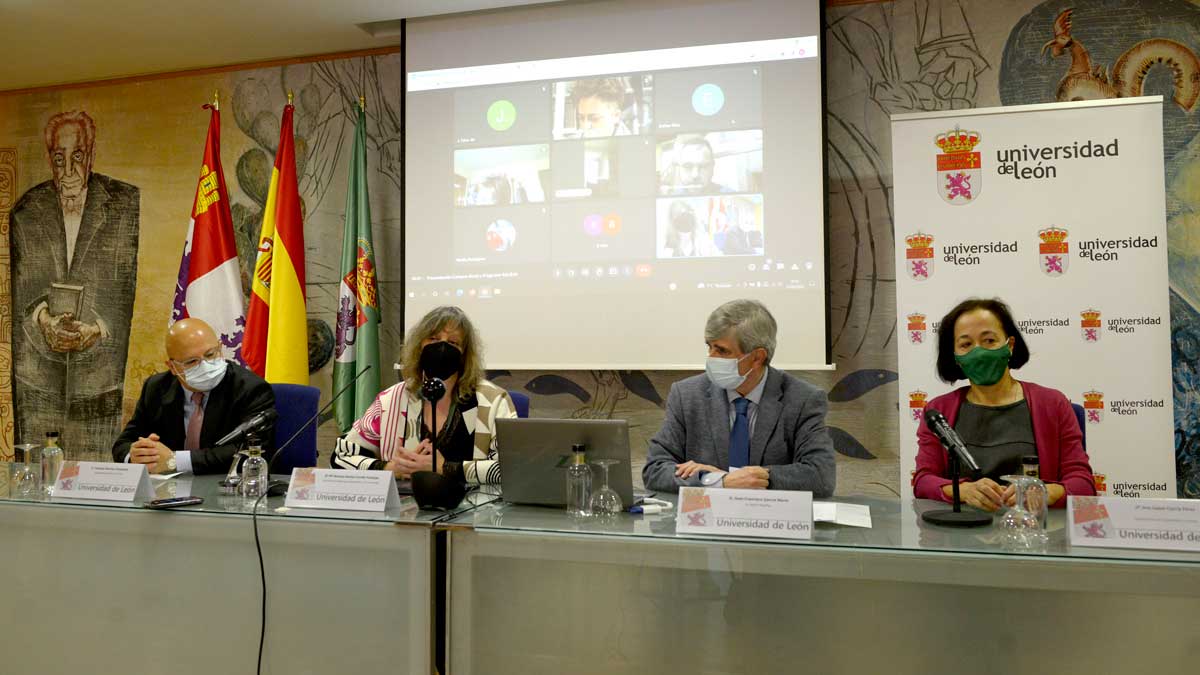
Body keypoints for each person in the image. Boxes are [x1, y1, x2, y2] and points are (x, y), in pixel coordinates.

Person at [10, 110, 139, 456]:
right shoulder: (27, 210)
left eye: (77, 156)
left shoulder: (125, 204)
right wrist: (44, 320)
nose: (67, 171)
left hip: (98, 381)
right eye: (58, 158)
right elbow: (24, 288)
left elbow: (123, 287)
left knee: (95, 486)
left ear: (92, 154)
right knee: (35, 485)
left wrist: (97, 328)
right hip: (37, 380)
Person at [913, 298, 1096, 510]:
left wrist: (1045, 491)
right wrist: (963, 491)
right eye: (966, 344)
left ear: (1009, 346)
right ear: (955, 357)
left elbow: (1083, 484)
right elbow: (923, 482)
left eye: (989, 341)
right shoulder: (938, 412)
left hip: (1034, 533)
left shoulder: (1053, 404)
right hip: (963, 533)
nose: (979, 352)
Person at [643, 299, 836, 494]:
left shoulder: (803, 399)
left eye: (722, 350)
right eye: (709, 347)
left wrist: (751, 479)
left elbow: (821, 477)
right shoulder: (687, 395)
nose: (711, 357)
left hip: (770, 520)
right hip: (704, 519)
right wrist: (719, 481)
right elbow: (655, 470)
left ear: (757, 357)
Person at [332, 306, 516, 487]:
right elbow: (341, 457)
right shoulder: (390, 400)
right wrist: (387, 468)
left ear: (464, 355)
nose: (442, 347)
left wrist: (447, 468)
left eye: (453, 343)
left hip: (475, 512)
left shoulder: (493, 401)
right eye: (434, 339)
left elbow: (512, 468)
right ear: (419, 347)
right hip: (405, 511)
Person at [112, 318, 276, 474]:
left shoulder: (250, 388)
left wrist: (174, 461)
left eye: (210, 354)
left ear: (220, 347)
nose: (204, 365)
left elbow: (251, 451)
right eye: (192, 361)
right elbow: (123, 444)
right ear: (173, 367)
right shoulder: (156, 388)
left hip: (222, 489)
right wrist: (136, 455)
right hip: (167, 490)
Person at [659, 135, 733, 196]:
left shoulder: (730, 196)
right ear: (679, 168)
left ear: (712, 167)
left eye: (703, 166)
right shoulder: (670, 197)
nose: (695, 175)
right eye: (688, 166)